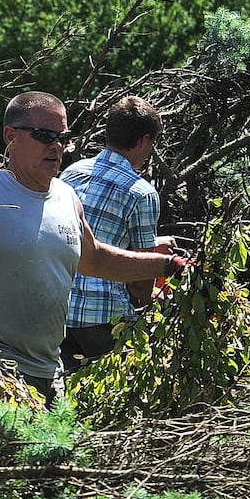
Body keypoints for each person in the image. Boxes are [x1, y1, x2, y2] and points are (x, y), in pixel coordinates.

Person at [0, 91, 187, 405]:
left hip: (46, 368)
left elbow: (95, 259)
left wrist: (165, 266)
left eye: (62, 137)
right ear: (10, 137)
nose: (55, 146)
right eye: (45, 136)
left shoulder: (67, 196)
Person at [60, 95, 172, 373]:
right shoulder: (141, 192)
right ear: (145, 141)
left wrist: (155, 243)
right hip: (104, 319)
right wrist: (153, 304)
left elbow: (85, 235)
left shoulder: (73, 172)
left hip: (58, 312)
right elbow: (140, 281)